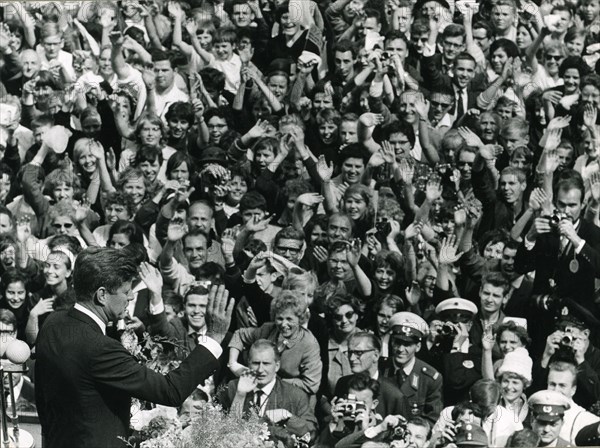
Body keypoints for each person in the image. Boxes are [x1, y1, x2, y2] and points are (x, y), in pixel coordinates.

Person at [35, 247, 233, 448]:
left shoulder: (52, 322)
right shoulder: (101, 348)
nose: (131, 298)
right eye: (126, 291)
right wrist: (214, 337)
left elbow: (43, 397)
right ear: (102, 295)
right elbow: (170, 391)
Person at [216, 339, 318, 443]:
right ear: (248, 363)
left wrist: (289, 418)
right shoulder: (232, 388)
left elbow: (312, 434)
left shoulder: (295, 395)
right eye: (256, 363)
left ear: (277, 366)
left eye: (266, 363)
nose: (260, 370)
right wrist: (240, 395)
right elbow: (221, 431)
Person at [379, 311, 443, 424]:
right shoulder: (380, 368)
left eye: (407, 344)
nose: (400, 349)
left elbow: (432, 419)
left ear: (418, 347)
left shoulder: (430, 378)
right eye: (397, 342)